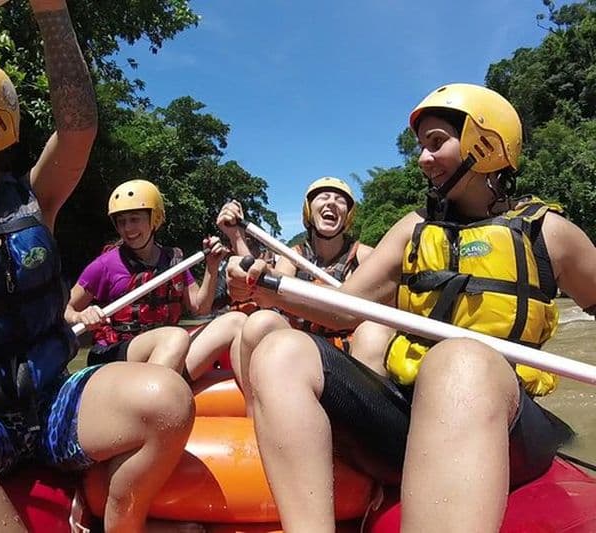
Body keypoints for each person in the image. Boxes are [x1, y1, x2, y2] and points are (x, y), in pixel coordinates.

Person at [0, 2, 194, 532]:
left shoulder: (34, 198)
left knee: (168, 402)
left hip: (55, 403)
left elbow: (78, 130)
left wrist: (51, 12)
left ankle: (121, 521)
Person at [226, 83, 595, 532]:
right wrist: (262, 289)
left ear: (487, 143)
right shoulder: (413, 230)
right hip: (407, 419)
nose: (422, 159)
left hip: (506, 429)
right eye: (422, 147)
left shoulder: (549, 234)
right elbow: (343, 310)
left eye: (437, 143)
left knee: (460, 359)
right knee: (281, 350)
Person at [216, 181, 382, 415]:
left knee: (374, 332)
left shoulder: (366, 256)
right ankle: (255, 418)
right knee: (259, 322)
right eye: (323, 197)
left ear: (348, 214)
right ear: (308, 209)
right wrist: (237, 237)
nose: (332, 203)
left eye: (340, 200)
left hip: (353, 359)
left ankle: (364, 423)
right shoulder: (292, 256)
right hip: (303, 356)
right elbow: (262, 287)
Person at [65, 179, 247, 381]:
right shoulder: (104, 265)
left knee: (236, 321)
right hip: (117, 356)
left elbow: (200, 308)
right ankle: (147, 403)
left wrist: (212, 267)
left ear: (155, 219)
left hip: (167, 351)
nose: (127, 228)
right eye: (121, 221)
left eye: (135, 219)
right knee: (174, 336)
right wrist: (80, 316)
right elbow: (64, 309)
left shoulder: (173, 262)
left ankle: (250, 404)